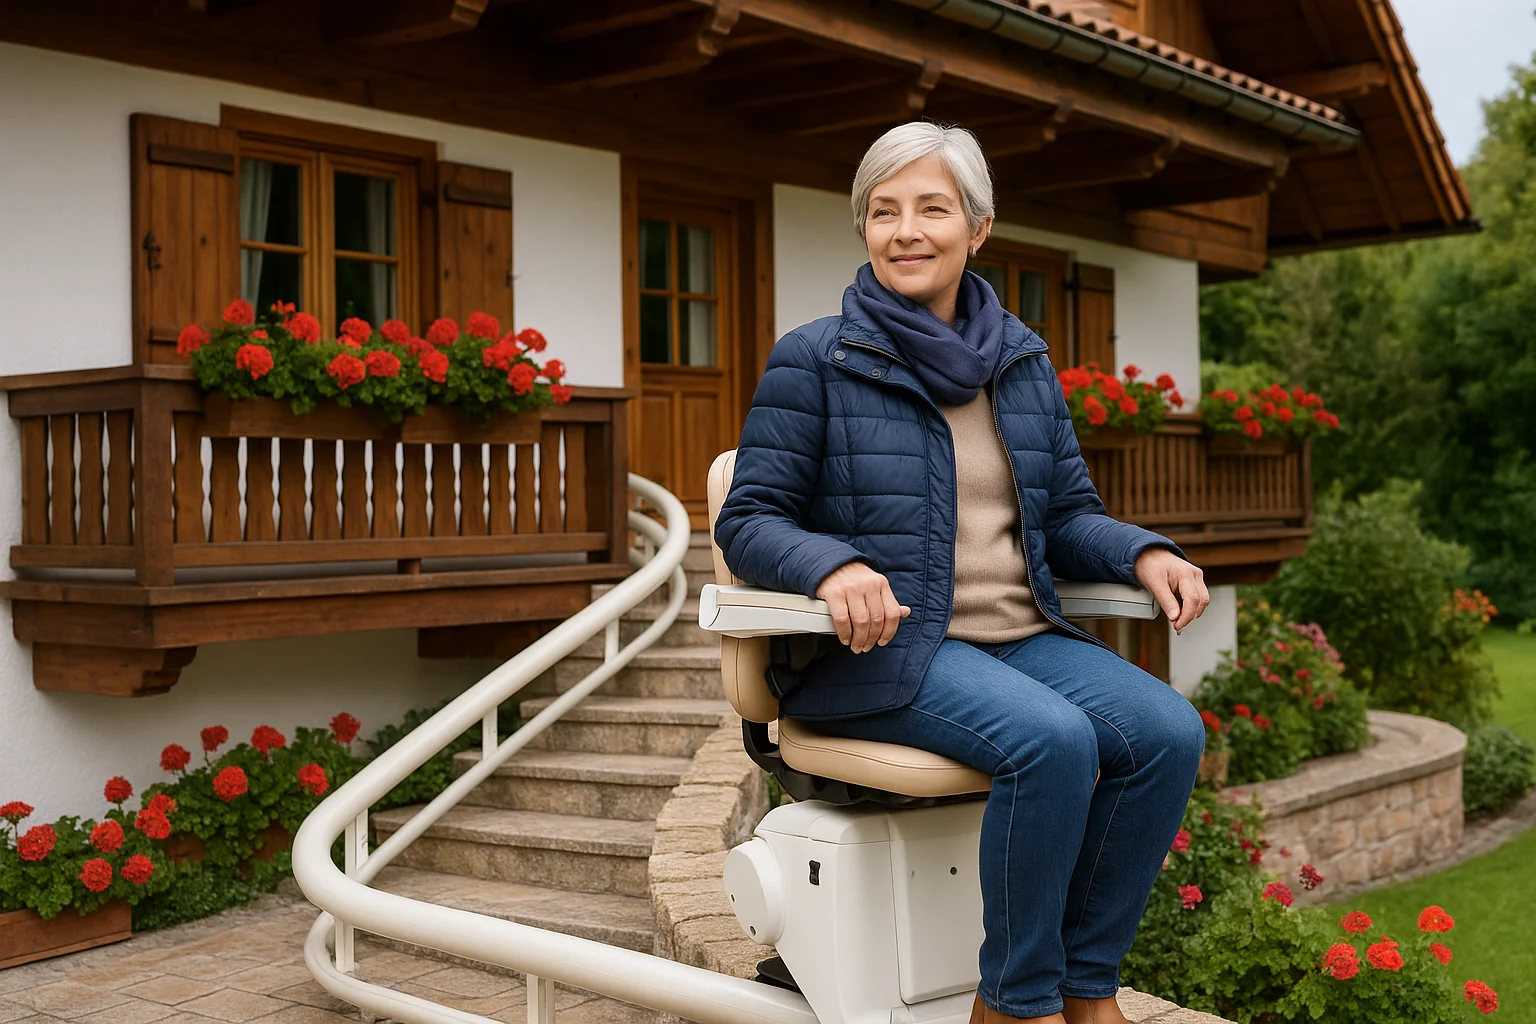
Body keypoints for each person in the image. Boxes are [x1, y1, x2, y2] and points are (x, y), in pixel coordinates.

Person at [714, 122, 1210, 1024]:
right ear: (864, 228)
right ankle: (1014, 1006)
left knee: (1167, 732)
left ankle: (1085, 988)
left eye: (930, 208)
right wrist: (832, 567)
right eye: (883, 210)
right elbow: (748, 518)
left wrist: (1143, 550)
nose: (905, 230)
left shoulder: (1020, 362)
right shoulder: (817, 358)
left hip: (1019, 640)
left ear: (976, 228)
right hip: (884, 652)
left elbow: (1065, 518)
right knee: (1053, 741)